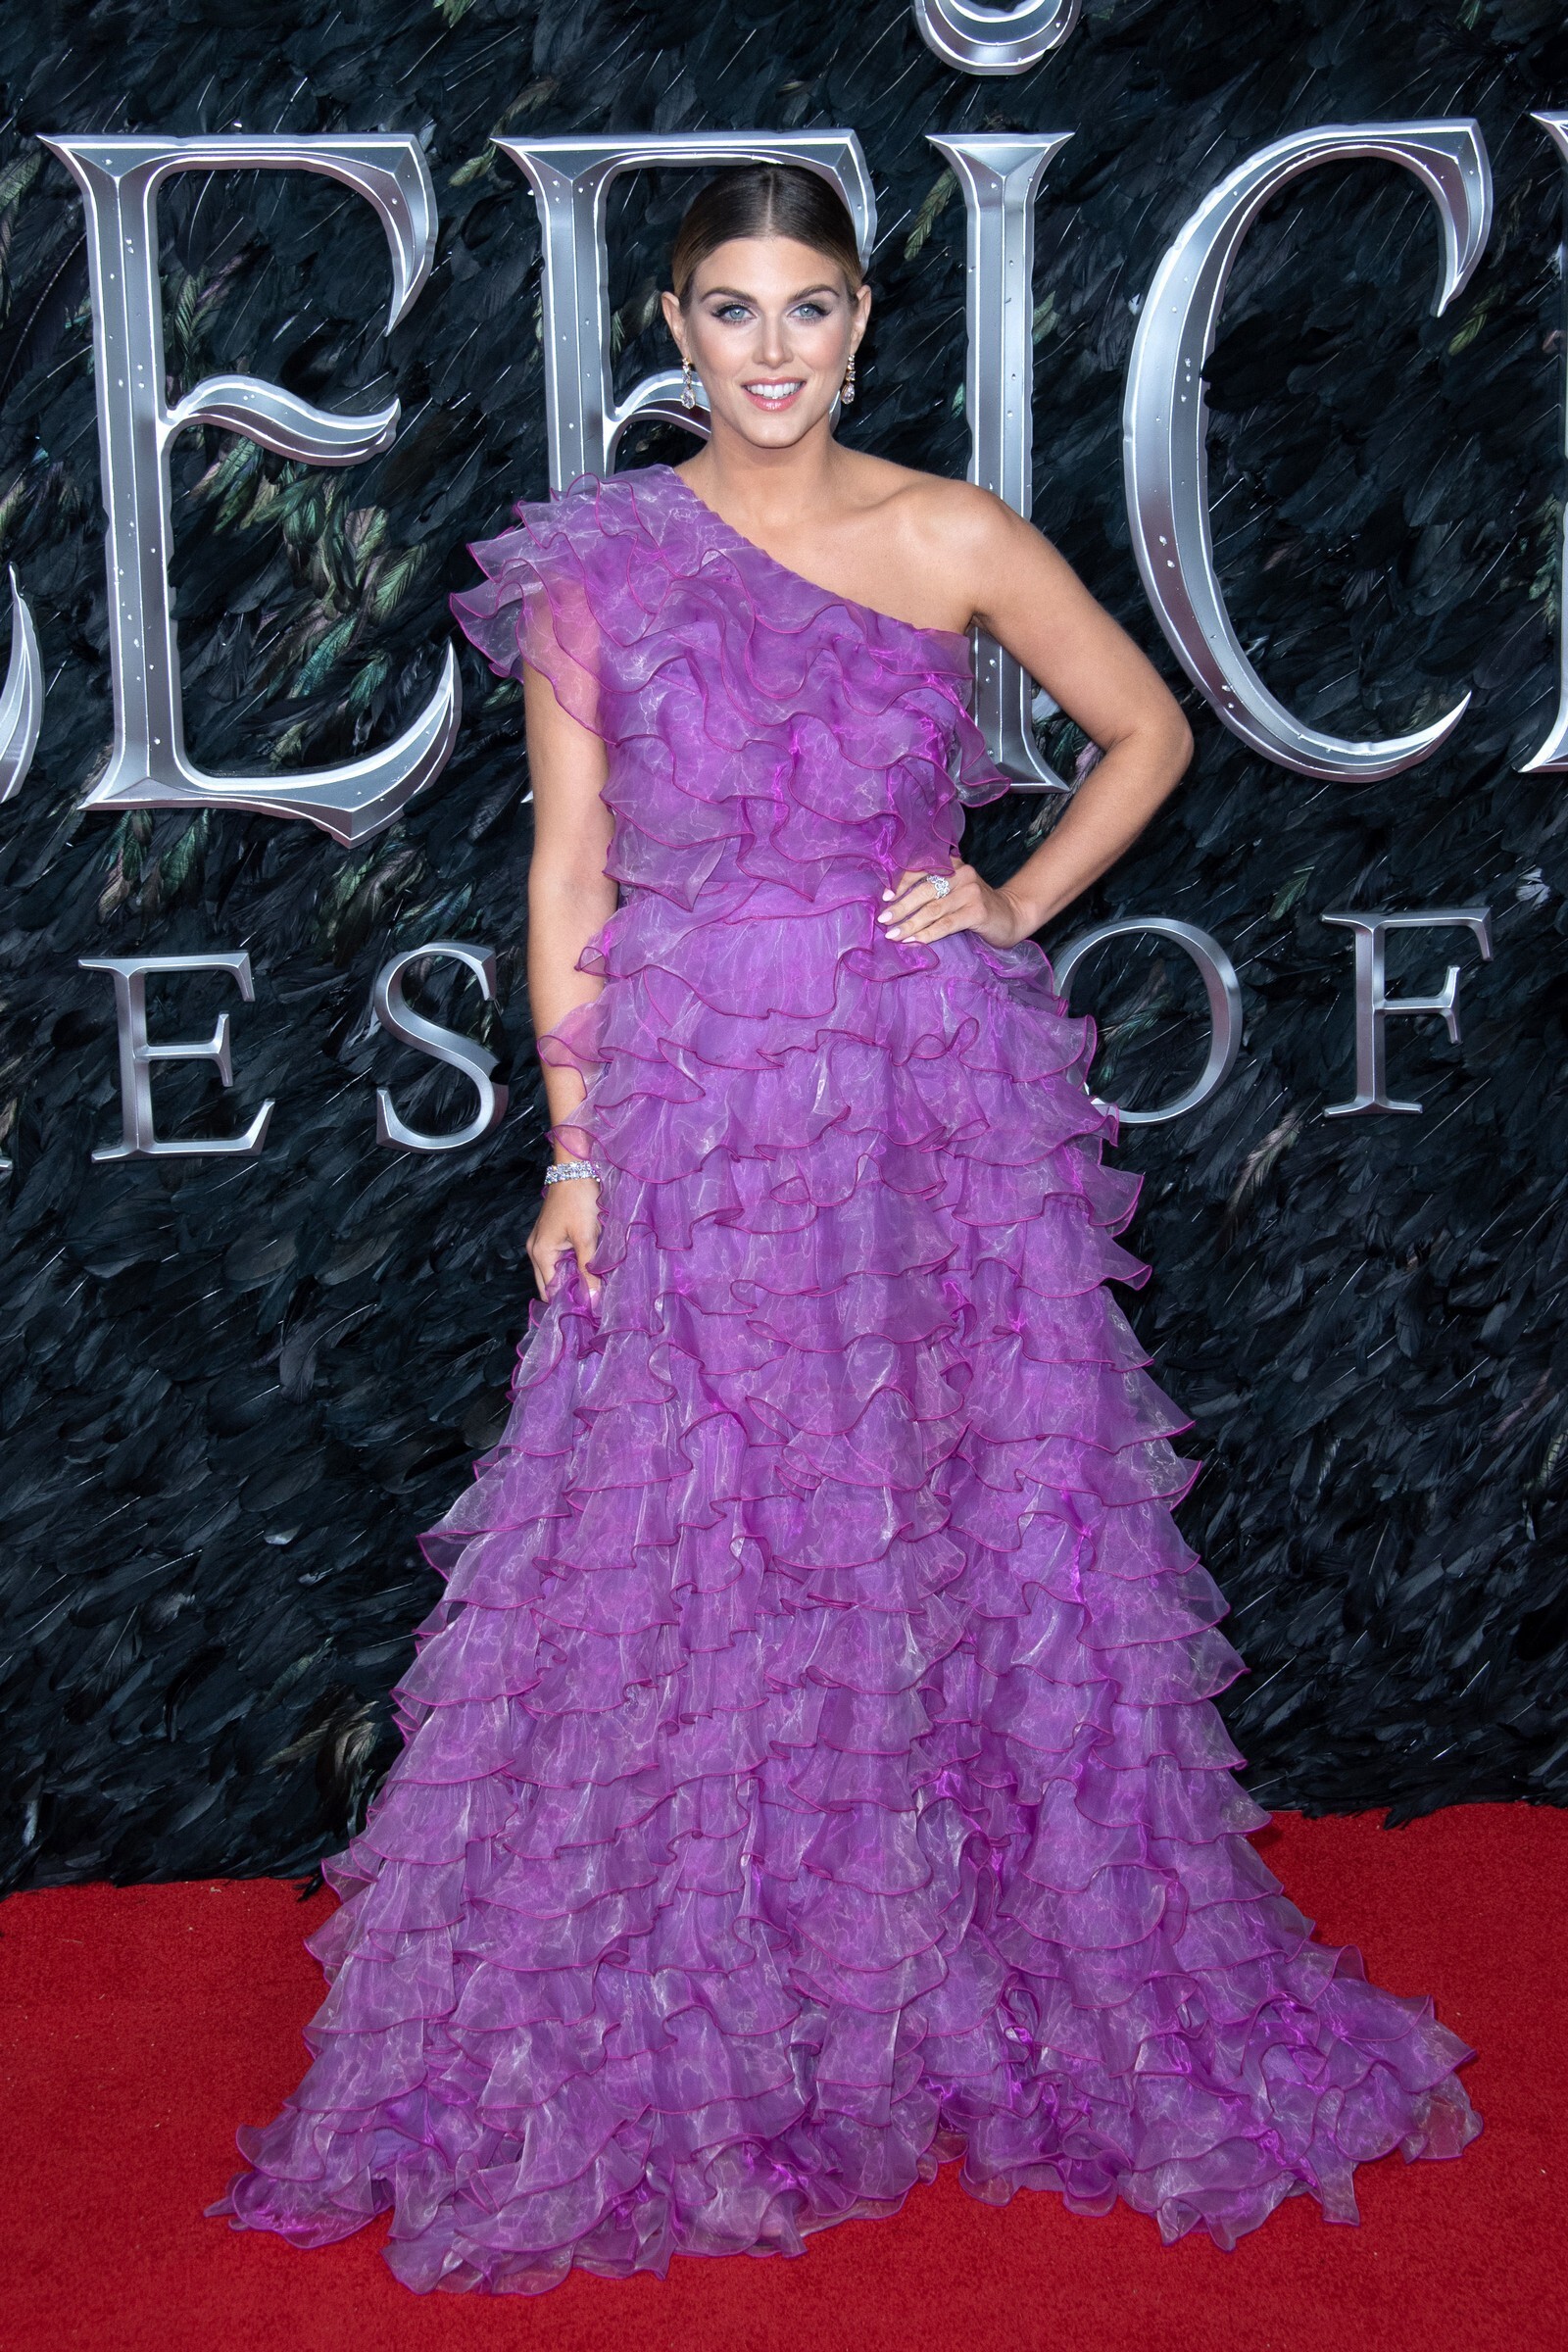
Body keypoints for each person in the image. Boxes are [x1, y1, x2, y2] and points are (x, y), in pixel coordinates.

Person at [213, 164, 1478, 2293]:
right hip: (697, 1097)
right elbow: (568, 872)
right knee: (703, 1517)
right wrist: (577, 1154)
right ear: (677, 330)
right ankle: (736, 1988)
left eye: (808, 306)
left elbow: (1146, 730)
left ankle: (957, 1950)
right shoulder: (599, 563)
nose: (773, 348)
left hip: (926, 1092)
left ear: (862, 322)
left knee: (956, 1501)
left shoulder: (950, 534)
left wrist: (1010, 894)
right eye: (732, 308)